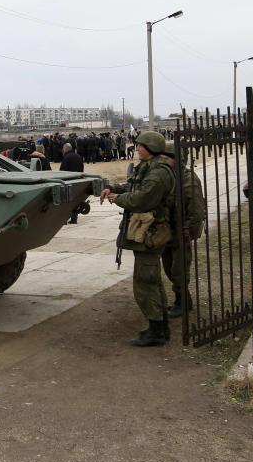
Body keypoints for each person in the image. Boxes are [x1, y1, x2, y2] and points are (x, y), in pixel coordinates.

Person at [100, 131, 176, 347]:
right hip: (144, 231)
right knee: (150, 280)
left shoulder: (158, 173)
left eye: (141, 146)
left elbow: (141, 199)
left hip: (150, 232)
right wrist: (113, 188)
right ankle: (159, 328)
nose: (137, 149)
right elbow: (133, 186)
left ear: (151, 148)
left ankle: (156, 331)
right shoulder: (148, 167)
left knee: (145, 282)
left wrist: (118, 198)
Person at [161, 150, 206, 318]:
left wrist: (188, 231)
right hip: (166, 231)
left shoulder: (189, 179)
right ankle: (184, 299)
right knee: (168, 267)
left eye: (166, 158)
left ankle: (183, 302)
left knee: (179, 269)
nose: (163, 160)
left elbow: (196, 210)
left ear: (177, 159)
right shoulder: (166, 177)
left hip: (181, 231)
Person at [60, 143, 84, 223]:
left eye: (63, 149)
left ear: (66, 149)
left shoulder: (66, 157)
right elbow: (82, 169)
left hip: (68, 182)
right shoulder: (78, 156)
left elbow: (62, 171)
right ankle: (74, 218)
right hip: (77, 181)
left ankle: (64, 219)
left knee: (66, 202)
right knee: (75, 201)